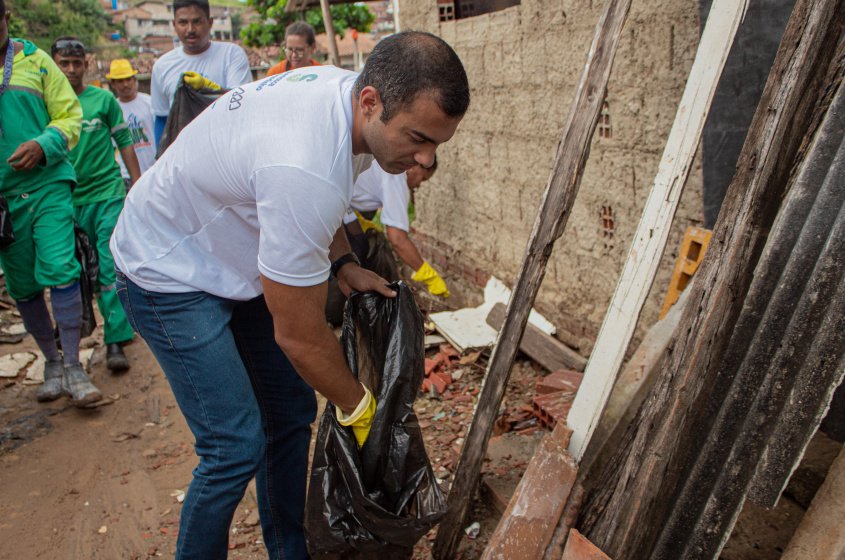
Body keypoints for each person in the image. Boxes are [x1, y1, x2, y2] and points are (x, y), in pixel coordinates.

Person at [111, 31, 469, 560]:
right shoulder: (306, 164)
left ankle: (289, 552)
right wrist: (359, 406)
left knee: (289, 412)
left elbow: (331, 204)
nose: (424, 156)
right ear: (371, 101)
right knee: (233, 447)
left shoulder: (347, 103)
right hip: (167, 268)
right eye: (418, 137)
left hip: (231, 256)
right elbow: (299, 336)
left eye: (438, 144)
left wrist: (344, 264)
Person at [0, 9, 101, 406]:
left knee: (60, 268)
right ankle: (52, 363)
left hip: (47, 184)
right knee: (23, 285)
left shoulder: (36, 61)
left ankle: (74, 365)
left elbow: (69, 115)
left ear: (6, 16)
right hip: (4, 202)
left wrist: (45, 144)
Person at [52, 37, 141, 373]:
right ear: (55, 64)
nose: (72, 70)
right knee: (72, 273)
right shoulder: (49, 104)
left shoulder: (103, 100)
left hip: (107, 194)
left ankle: (115, 339)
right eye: (65, 63)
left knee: (108, 267)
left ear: (86, 63)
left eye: (77, 63)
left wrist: (136, 188)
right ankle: (71, 340)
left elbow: (126, 144)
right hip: (65, 199)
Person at [150, 0, 251, 146]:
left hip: (226, 149)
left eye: (197, 21)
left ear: (210, 22)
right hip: (185, 154)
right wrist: (161, 158)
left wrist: (207, 87)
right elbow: (162, 118)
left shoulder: (231, 55)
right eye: (183, 22)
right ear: (174, 24)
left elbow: (240, 102)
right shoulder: (162, 66)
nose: (190, 29)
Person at [345, 158, 449, 297]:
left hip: (340, 201)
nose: (418, 186)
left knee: (358, 241)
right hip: (331, 205)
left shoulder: (389, 165)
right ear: (416, 167)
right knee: (352, 255)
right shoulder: (397, 179)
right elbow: (398, 240)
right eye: (422, 179)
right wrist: (428, 275)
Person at [107, 58, 156, 187]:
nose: (125, 85)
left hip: (153, 170)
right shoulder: (112, 109)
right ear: (113, 84)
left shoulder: (150, 103)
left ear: (135, 80)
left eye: (128, 79)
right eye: (120, 81)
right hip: (126, 176)